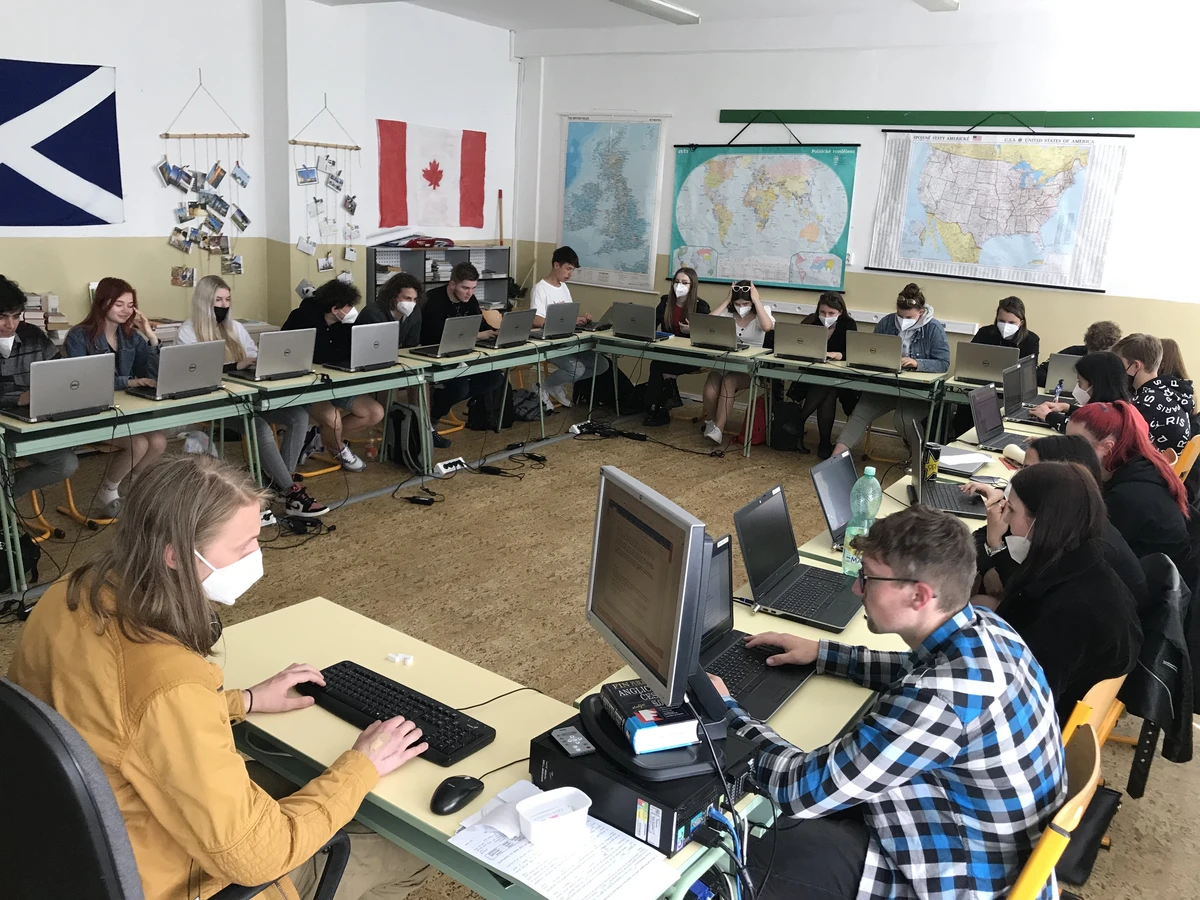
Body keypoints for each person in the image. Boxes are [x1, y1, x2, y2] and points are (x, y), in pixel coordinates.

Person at [8, 455, 430, 900]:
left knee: (299, 780)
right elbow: (258, 857)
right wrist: (361, 766)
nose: (256, 556)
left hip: (76, 847)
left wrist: (241, 700)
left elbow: (116, 715)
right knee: (410, 851)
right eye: (243, 545)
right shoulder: (170, 685)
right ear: (175, 556)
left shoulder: (72, 592)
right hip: (172, 880)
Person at [709, 505, 1064, 900]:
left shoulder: (938, 701)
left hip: (956, 883)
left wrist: (725, 712)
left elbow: (798, 788)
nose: (856, 588)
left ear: (919, 595)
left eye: (868, 578)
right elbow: (913, 668)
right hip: (985, 845)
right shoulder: (986, 626)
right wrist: (822, 653)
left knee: (738, 852)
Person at [969, 462, 1142, 722]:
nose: (1004, 519)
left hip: (1038, 714)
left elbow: (1023, 699)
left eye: (1011, 510)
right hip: (1060, 686)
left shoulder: (1068, 610)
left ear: (1042, 521)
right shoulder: (1081, 558)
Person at [178, 276, 327, 520]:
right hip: (217, 403)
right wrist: (234, 365)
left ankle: (283, 483)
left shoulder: (234, 327)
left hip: (248, 396)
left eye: (227, 299)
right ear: (204, 301)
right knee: (260, 428)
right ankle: (291, 491)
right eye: (218, 300)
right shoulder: (188, 331)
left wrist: (260, 361)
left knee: (299, 415)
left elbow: (253, 354)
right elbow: (195, 373)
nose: (224, 305)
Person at [964, 434, 1148, 612]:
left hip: (1062, 623)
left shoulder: (1080, 548)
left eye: (1028, 469)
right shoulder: (1074, 520)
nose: (1019, 476)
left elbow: (1025, 597)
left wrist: (996, 547)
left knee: (979, 601)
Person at [64, 277, 166, 517]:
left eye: (130, 305)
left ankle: (135, 489)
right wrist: (126, 382)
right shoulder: (79, 336)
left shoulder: (131, 337)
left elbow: (151, 375)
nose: (126, 310)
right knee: (139, 443)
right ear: (102, 303)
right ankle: (108, 490)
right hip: (93, 411)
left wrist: (151, 338)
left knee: (159, 441)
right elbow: (82, 382)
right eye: (119, 304)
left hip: (125, 409)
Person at [1068, 400, 1194, 576]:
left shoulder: (1126, 497)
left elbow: (1087, 553)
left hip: (1151, 583)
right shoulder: (1140, 466)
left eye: (1074, 444)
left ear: (1107, 447)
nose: (1067, 451)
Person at [831, 283, 950, 459]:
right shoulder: (886, 322)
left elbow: (943, 363)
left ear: (921, 312)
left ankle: (918, 458)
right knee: (859, 414)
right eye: (900, 315)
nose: (903, 320)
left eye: (909, 317)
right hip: (886, 385)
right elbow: (872, 351)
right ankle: (835, 458)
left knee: (903, 420)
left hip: (916, 391)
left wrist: (917, 363)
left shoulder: (933, 328)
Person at [282, 279, 384, 473]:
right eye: (349, 306)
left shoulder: (345, 324)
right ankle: (338, 448)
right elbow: (292, 355)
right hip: (307, 385)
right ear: (334, 309)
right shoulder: (301, 319)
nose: (352, 310)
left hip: (337, 381)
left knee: (374, 412)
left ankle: (319, 437)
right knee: (333, 419)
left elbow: (350, 353)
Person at [0, 275, 80, 495]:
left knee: (66, 463)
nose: (10, 325)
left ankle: (7, 500)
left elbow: (61, 373)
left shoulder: (32, 335)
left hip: (34, 424)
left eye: (16, 316)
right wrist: (17, 398)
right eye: (2, 317)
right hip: (5, 427)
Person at [421, 263, 506, 448]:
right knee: (460, 388)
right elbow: (437, 336)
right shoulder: (433, 300)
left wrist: (496, 332)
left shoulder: (470, 300)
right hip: (434, 356)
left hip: (463, 355)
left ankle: (440, 398)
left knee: (495, 378)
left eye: (473, 288)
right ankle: (432, 418)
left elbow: (481, 325)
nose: (470, 293)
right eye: (465, 288)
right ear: (452, 284)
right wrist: (478, 336)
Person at [528, 246, 608, 409]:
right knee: (576, 369)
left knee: (601, 364)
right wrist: (560, 323)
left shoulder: (563, 287)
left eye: (572, 270)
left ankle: (556, 384)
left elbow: (566, 316)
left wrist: (579, 320)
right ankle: (543, 385)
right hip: (550, 343)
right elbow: (536, 319)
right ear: (556, 265)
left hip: (567, 339)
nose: (570, 274)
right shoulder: (540, 288)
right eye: (568, 269)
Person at [952, 296, 1040, 435]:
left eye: (1011, 322)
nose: (1006, 325)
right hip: (980, 386)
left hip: (1011, 393)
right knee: (963, 417)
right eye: (1001, 321)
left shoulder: (1031, 340)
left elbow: (1028, 371)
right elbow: (969, 360)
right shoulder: (985, 333)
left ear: (1021, 322)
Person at [698, 281, 774, 444]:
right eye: (737, 304)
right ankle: (711, 422)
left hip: (749, 366)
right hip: (725, 362)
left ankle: (719, 429)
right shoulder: (727, 312)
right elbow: (708, 323)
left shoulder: (763, 311)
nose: (741, 307)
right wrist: (727, 300)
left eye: (745, 304)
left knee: (729, 381)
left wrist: (756, 300)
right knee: (710, 390)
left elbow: (767, 327)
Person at [642, 267, 710, 426]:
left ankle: (658, 407)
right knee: (660, 363)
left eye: (685, 282)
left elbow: (708, 334)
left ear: (692, 285)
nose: (679, 285)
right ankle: (664, 402)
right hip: (669, 352)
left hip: (692, 356)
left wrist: (692, 330)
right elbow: (652, 324)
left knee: (658, 365)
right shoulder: (665, 302)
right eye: (677, 281)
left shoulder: (701, 306)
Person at [1113, 332, 1194, 454]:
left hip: (1150, 464)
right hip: (1165, 463)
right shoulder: (1170, 393)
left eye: (1120, 365)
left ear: (1135, 366)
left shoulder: (1145, 403)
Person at [1029, 351, 1130, 431]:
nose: (1078, 387)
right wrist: (1068, 408)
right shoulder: (1117, 406)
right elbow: (1088, 418)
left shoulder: (1107, 415)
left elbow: (1078, 430)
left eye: (1080, 382)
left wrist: (1048, 416)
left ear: (1095, 385)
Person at [1036, 319, 1121, 387]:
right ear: (1088, 345)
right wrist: (1064, 385)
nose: (1097, 358)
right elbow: (1038, 373)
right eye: (1093, 352)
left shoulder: (1120, 362)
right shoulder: (1072, 353)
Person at [357, 271, 424, 348]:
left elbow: (411, 345)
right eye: (407, 298)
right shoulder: (373, 313)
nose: (411, 303)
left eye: (414, 299)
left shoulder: (415, 312)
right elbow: (374, 347)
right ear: (393, 296)